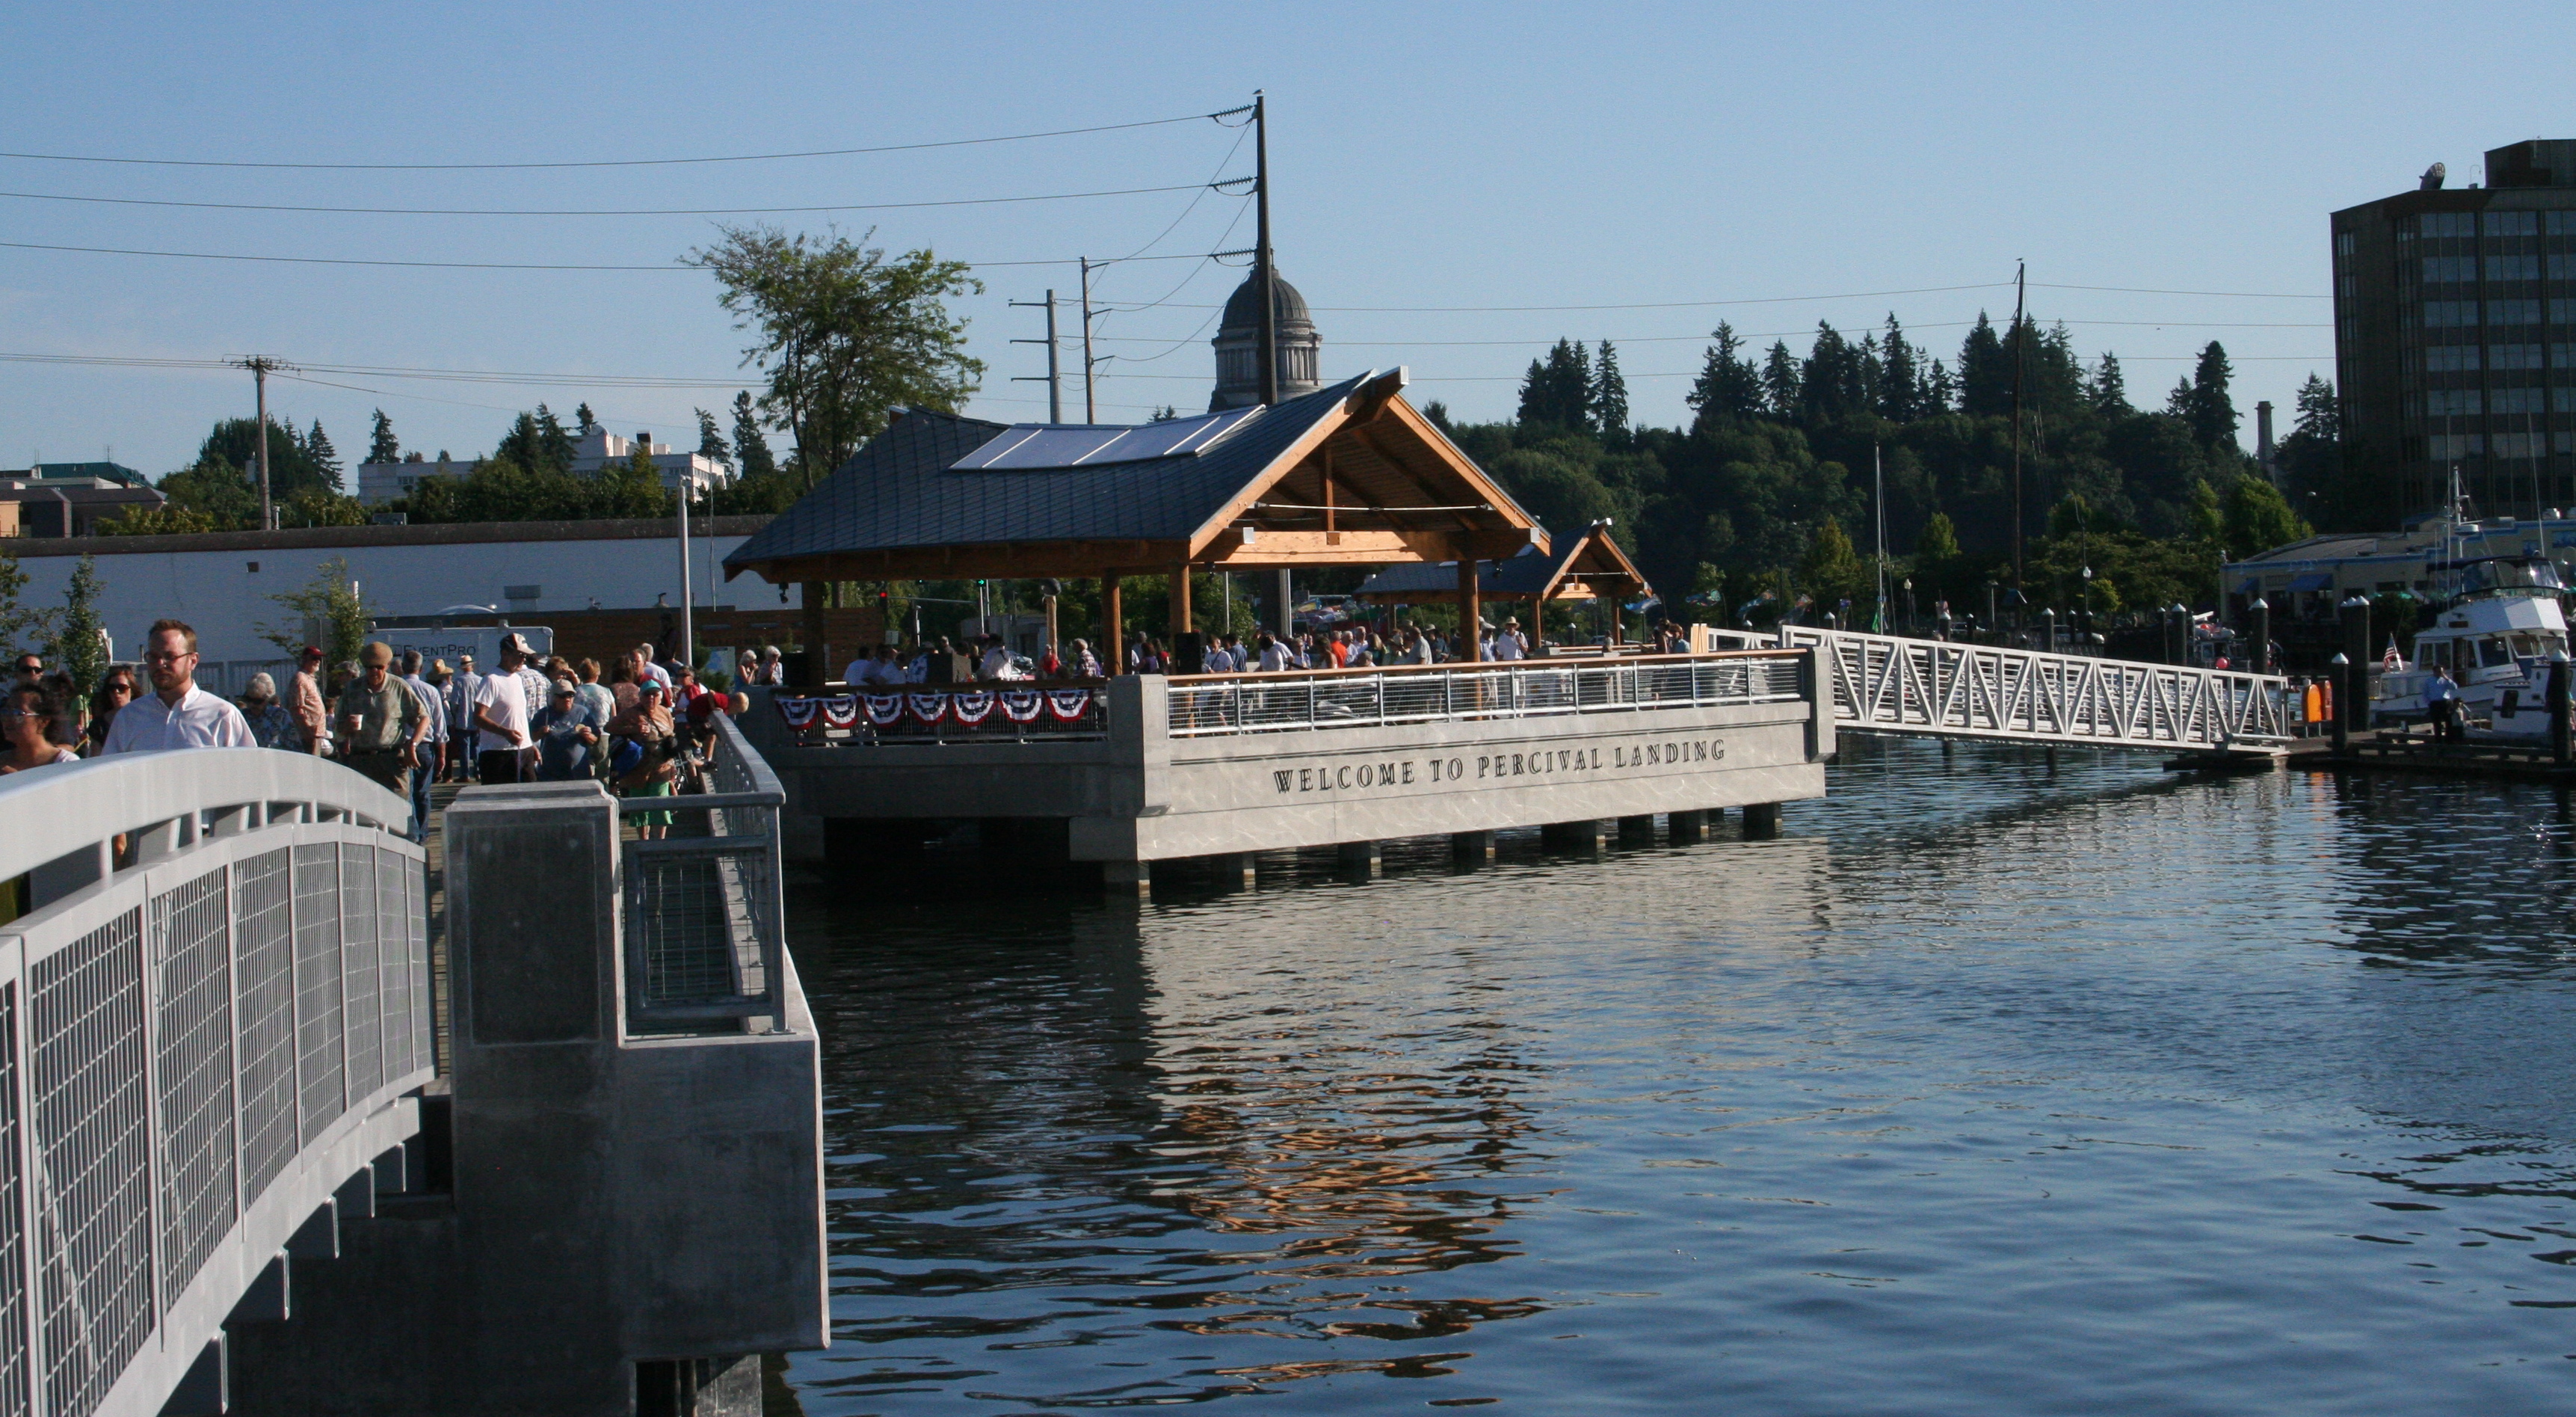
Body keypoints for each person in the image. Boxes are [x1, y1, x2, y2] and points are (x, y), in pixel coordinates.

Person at [102, 619, 253, 752]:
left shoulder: (222, 715)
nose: (160, 664)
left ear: (193, 661)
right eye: (153, 657)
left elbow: (248, 769)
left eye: (170, 657)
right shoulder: (129, 717)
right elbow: (111, 770)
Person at [333, 641, 427, 797]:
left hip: (391, 758)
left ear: (387, 665)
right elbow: (338, 727)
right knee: (363, 808)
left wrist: (413, 744)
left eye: (379, 667)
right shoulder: (353, 688)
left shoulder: (398, 686)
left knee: (398, 806)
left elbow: (423, 718)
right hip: (361, 759)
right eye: (369, 667)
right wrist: (346, 727)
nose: (374, 671)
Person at [608, 679, 679, 839]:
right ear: (640, 697)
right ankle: (643, 842)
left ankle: (660, 843)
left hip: (662, 765)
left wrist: (673, 767)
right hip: (638, 766)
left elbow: (671, 736)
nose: (651, 698)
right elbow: (609, 727)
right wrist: (633, 729)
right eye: (647, 694)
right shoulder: (630, 713)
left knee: (661, 803)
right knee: (640, 806)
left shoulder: (665, 712)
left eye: (655, 694)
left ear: (661, 697)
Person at [470, 633, 535, 784]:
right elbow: (478, 717)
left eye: (525, 656)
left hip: (524, 750)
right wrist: (506, 732)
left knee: (530, 795)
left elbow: (518, 716)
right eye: (520, 655)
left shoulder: (518, 678)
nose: (523, 660)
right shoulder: (491, 680)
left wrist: (530, 744)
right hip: (498, 753)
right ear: (505, 654)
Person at [398, 651, 447, 840]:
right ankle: (423, 834)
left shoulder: (397, 687)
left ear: (403, 667)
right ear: (421, 669)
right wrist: (442, 754)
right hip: (425, 745)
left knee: (406, 793)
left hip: (401, 746)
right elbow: (440, 725)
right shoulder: (431, 691)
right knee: (423, 793)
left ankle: (411, 832)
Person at [531, 680, 603, 781]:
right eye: (563, 696)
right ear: (554, 697)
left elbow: (595, 740)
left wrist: (588, 735)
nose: (567, 699)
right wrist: (541, 733)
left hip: (578, 773)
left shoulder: (583, 713)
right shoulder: (544, 714)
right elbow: (532, 737)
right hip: (551, 774)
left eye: (571, 695)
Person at [1, 680, 79, 774]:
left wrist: (16, 778)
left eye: (17, 713)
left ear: (43, 721)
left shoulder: (66, 763)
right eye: (5, 711)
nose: (8, 719)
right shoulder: (2, 761)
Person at [84, 665, 140, 754]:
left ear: (132, 691)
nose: (116, 692)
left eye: (122, 688)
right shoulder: (99, 725)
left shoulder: (144, 718)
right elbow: (96, 757)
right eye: (111, 688)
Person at [446, 654, 484, 781]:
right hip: (477, 718)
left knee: (464, 748)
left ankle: (465, 773)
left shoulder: (459, 681)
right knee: (477, 746)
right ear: (472, 666)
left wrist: (455, 715)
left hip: (463, 718)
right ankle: (478, 772)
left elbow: (455, 702)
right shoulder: (480, 680)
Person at [239, 673, 301, 750]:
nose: (252, 705)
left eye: (257, 701)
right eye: (248, 699)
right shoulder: (242, 717)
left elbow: (295, 747)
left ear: (268, 698)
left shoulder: (281, 716)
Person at [288, 646, 330, 755]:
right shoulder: (300, 679)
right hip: (310, 733)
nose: (318, 661)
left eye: (319, 659)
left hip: (317, 733)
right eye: (314, 658)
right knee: (312, 762)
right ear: (305, 659)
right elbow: (297, 708)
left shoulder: (310, 678)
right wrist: (307, 731)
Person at [2425, 663, 2465, 741]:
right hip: (2435, 703)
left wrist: (2447, 678)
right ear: (2434, 672)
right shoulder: (2429, 681)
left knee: (2449, 721)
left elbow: (2454, 687)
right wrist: (2428, 703)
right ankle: (2438, 740)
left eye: (2441, 671)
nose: (2440, 673)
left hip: (2445, 702)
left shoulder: (2445, 680)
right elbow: (2425, 693)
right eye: (2438, 671)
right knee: (2437, 723)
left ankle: (2449, 740)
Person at [573, 658, 617, 728]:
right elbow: (613, 718)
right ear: (597, 675)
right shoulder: (607, 692)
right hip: (603, 731)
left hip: (582, 731)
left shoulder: (575, 693)